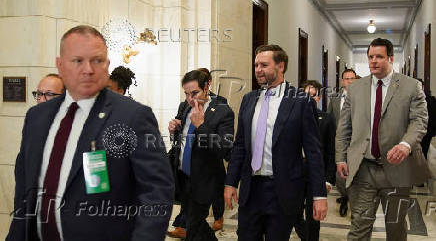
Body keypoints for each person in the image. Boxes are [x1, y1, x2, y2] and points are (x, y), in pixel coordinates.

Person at [7, 25, 174, 241]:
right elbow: (24, 185)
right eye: (78, 61)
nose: (88, 69)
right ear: (60, 65)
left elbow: (157, 191)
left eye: (97, 60)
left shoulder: (133, 117)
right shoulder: (37, 117)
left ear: (107, 64)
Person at [224, 44, 327, 241]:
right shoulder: (249, 99)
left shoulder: (300, 101)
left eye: (264, 65)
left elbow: (313, 152)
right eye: (255, 65)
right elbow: (239, 147)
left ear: (281, 66)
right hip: (251, 190)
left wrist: (319, 195)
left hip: (283, 191)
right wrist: (230, 183)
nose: (258, 70)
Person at [336, 38, 432, 241]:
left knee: (395, 228)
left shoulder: (411, 86)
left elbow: (419, 121)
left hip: (397, 169)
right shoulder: (355, 88)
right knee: (359, 227)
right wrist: (340, 157)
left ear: (390, 58)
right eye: (370, 57)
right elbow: (344, 127)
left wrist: (406, 145)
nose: (373, 61)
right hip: (363, 168)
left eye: (379, 57)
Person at [167, 70, 234, 241]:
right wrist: (174, 130)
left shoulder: (222, 111)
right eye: (187, 94)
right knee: (195, 224)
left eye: (194, 93)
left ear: (206, 87)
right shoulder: (184, 107)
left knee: (194, 226)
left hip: (205, 181)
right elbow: (180, 142)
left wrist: (201, 126)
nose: (190, 99)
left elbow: (223, 149)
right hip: (183, 177)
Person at [295, 80, 336, 241]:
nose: (310, 99)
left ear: (318, 98)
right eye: (306, 95)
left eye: (313, 96)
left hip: (316, 175)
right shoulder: (293, 118)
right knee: (293, 214)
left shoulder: (326, 119)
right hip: (296, 173)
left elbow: (331, 152)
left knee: (313, 217)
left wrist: (328, 180)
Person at [327, 68, 357, 217]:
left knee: (356, 173)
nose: (349, 81)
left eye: (352, 78)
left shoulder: (362, 99)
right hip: (339, 143)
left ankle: (355, 201)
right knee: (340, 175)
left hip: (357, 143)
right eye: (347, 78)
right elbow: (330, 119)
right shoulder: (334, 98)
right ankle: (344, 198)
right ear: (342, 81)